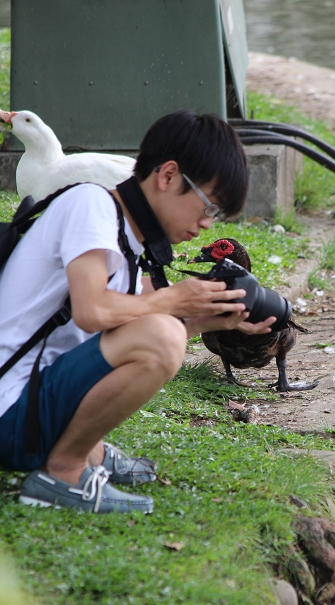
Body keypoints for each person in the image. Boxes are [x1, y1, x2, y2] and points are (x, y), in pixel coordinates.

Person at [0, 110, 276, 513]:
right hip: (9, 413)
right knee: (162, 336)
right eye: (208, 207)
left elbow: (118, 328)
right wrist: (174, 301)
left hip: (27, 403)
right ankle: (65, 471)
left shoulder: (125, 236)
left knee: (164, 330)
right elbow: (92, 312)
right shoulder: (90, 204)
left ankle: (88, 451)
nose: (205, 224)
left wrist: (208, 321)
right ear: (167, 176)